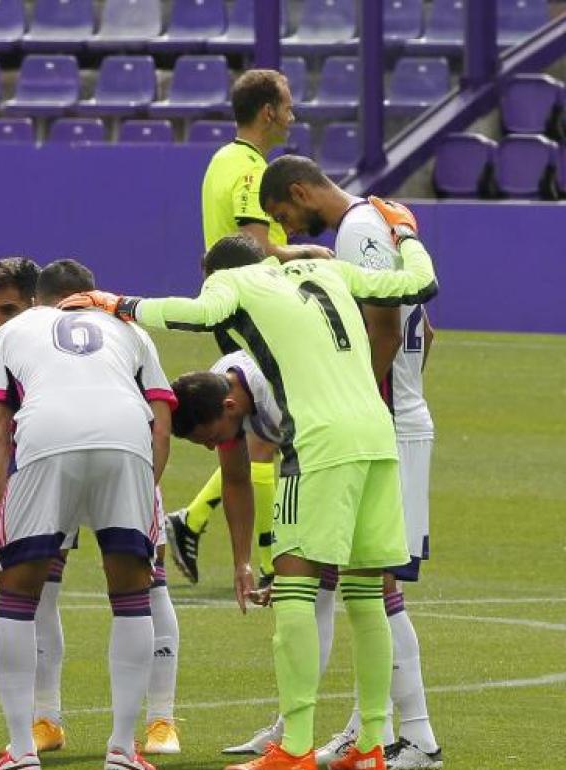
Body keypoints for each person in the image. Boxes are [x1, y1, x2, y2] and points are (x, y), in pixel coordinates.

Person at [59, 199, 438, 770]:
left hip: (318, 443)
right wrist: (405, 232)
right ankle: (371, 747)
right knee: (366, 596)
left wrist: (118, 304)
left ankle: (295, 747)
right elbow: (420, 282)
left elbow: (190, 313)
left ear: (221, 272)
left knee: (294, 592)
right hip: (378, 438)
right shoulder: (330, 269)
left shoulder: (236, 283)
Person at [251, 156, 442, 770]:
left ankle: (415, 739)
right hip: (395, 416)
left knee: (378, 585)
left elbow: (383, 326)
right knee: (365, 580)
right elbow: (425, 333)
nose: (287, 226)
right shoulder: (378, 225)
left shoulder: (358, 229)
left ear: (301, 191)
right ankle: (372, 731)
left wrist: (360, 393)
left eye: (285, 214)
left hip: (380, 422)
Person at [0, 259, 175, 770]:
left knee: (19, 594)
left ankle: (21, 751)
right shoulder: (126, 326)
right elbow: (161, 415)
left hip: (46, 437)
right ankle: (122, 750)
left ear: (37, 300)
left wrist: (8, 491)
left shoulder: (12, 329)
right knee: (133, 593)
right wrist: (143, 486)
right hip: (127, 436)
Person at [174, 68, 335, 583]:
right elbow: (258, 244)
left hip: (232, 304)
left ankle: (198, 523)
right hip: (251, 310)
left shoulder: (223, 159)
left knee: (256, 435)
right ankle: (270, 562)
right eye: (287, 104)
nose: (292, 113)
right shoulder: (248, 169)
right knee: (261, 437)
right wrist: (310, 251)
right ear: (268, 111)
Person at [0, 258, 68, 754]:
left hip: (71, 471)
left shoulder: (54, 337)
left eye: (8, 309)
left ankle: (157, 719)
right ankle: (44, 718)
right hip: (28, 485)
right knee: (38, 595)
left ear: (35, 301)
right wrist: (8, 485)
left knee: (139, 586)